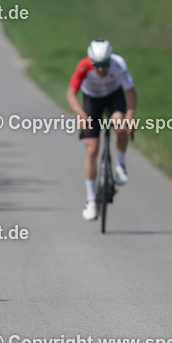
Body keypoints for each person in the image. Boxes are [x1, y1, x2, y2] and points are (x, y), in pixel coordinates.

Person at [65, 39, 137, 221]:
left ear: (109, 60)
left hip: (114, 96)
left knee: (120, 124)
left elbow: (131, 93)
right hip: (92, 100)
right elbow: (70, 93)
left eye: (104, 65)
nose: (100, 70)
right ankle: (91, 200)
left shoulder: (119, 63)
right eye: (96, 65)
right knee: (91, 150)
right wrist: (81, 115)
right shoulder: (83, 66)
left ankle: (120, 165)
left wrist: (129, 117)